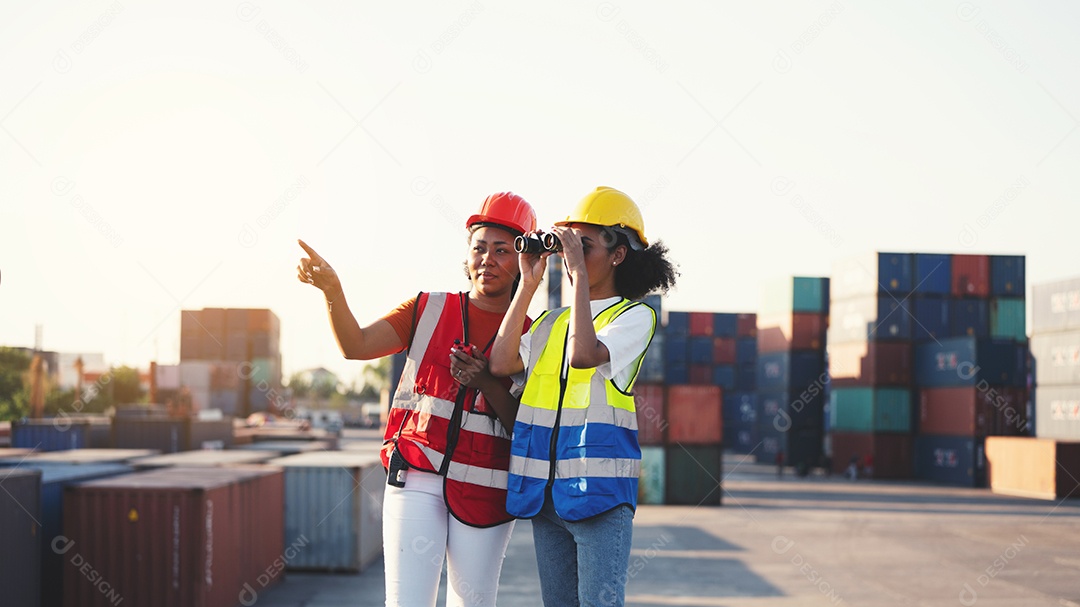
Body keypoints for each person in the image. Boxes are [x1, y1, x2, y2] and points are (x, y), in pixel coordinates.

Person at [297, 192, 537, 607]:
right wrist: (332, 291)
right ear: (467, 254)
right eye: (479, 248)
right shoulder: (427, 308)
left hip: (486, 488)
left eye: (502, 250)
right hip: (417, 475)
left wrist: (486, 381)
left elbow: (526, 426)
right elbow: (355, 346)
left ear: (523, 262)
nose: (488, 260)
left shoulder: (538, 332)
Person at [489, 186, 678, 607]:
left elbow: (583, 355)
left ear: (618, 254)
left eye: (585, 245)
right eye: (569, 244)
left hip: (600, 497)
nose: (573, 254)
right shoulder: (552, 321)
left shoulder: (633, 316)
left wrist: (574, 273)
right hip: (546, 496)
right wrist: (528, 284)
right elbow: (500, 364)